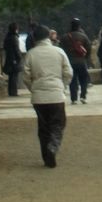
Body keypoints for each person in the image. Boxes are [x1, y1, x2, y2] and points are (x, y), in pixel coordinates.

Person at [22, 24, 73, 168]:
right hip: (56, 94)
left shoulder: (31, 54)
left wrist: (33, 88)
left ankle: (46, 155)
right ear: (49, 36)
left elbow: (26, 76)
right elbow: (68, 72)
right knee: (58, 124)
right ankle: (53, 146)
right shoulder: (59, 52)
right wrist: (62, 85)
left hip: (38, 96)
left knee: (43, 127)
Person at [60, 18, 91, 104]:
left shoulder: (65, 37)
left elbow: (61, 49)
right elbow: (88, 48)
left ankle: (74, 99)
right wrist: (86, 58)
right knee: (83, 79)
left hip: (69, 61)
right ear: (79, 26)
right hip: (81, 61)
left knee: (72, 80)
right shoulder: (83, 36)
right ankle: (83, 96)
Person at [2, 22, 23, 97]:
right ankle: (14, 92)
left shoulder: (7, 37)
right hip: (14, 60)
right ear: (16, 29)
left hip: (9, 58)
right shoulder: (14, 38)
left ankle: (10, 92)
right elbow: (16, 49)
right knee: (14, 77)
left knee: (11, 77)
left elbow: (5, 47)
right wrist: (19, 57)